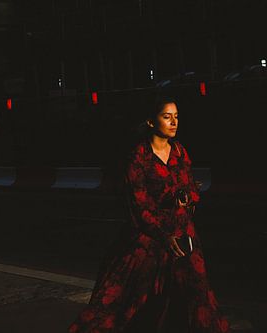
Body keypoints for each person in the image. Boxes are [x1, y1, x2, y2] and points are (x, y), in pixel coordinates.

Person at [67, 96, 230, 333]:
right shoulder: (138, 157)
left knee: (198, 298)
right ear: (151, 122)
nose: (174, 122)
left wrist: (188, 197)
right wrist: (164, 235)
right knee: (124, 302)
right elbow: (137, 206)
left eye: (176, 116)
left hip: (184, 235)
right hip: (148, 240)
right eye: (167, 117)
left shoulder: (180, 152)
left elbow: (190, 189)